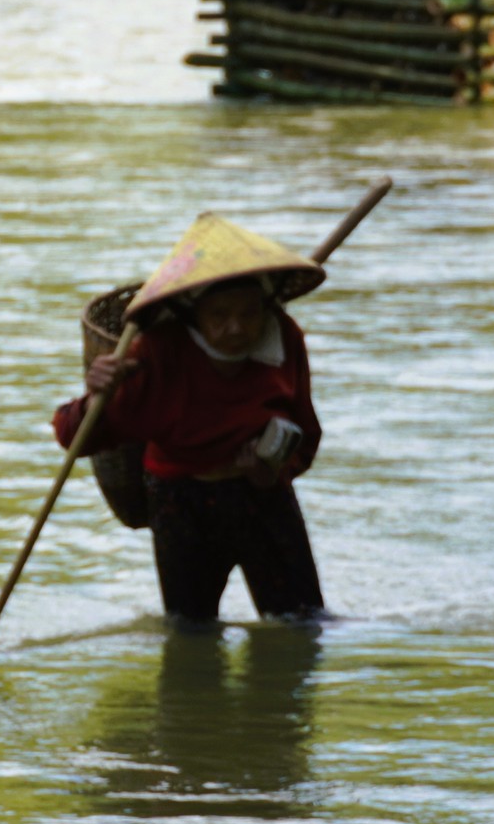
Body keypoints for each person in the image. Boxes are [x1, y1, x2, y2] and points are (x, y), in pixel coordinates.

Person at [53, 214, 330, 625]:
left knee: (301, 623)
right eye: (219, 315)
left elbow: (305, 431)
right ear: (194, 314)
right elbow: (75, 436)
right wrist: (96, 394)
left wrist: (270, 470)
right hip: (181, 503)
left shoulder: (284, 336)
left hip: (264, 496)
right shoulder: (158, 350)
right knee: (190, 629)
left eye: (248, 314)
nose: (235, 328)